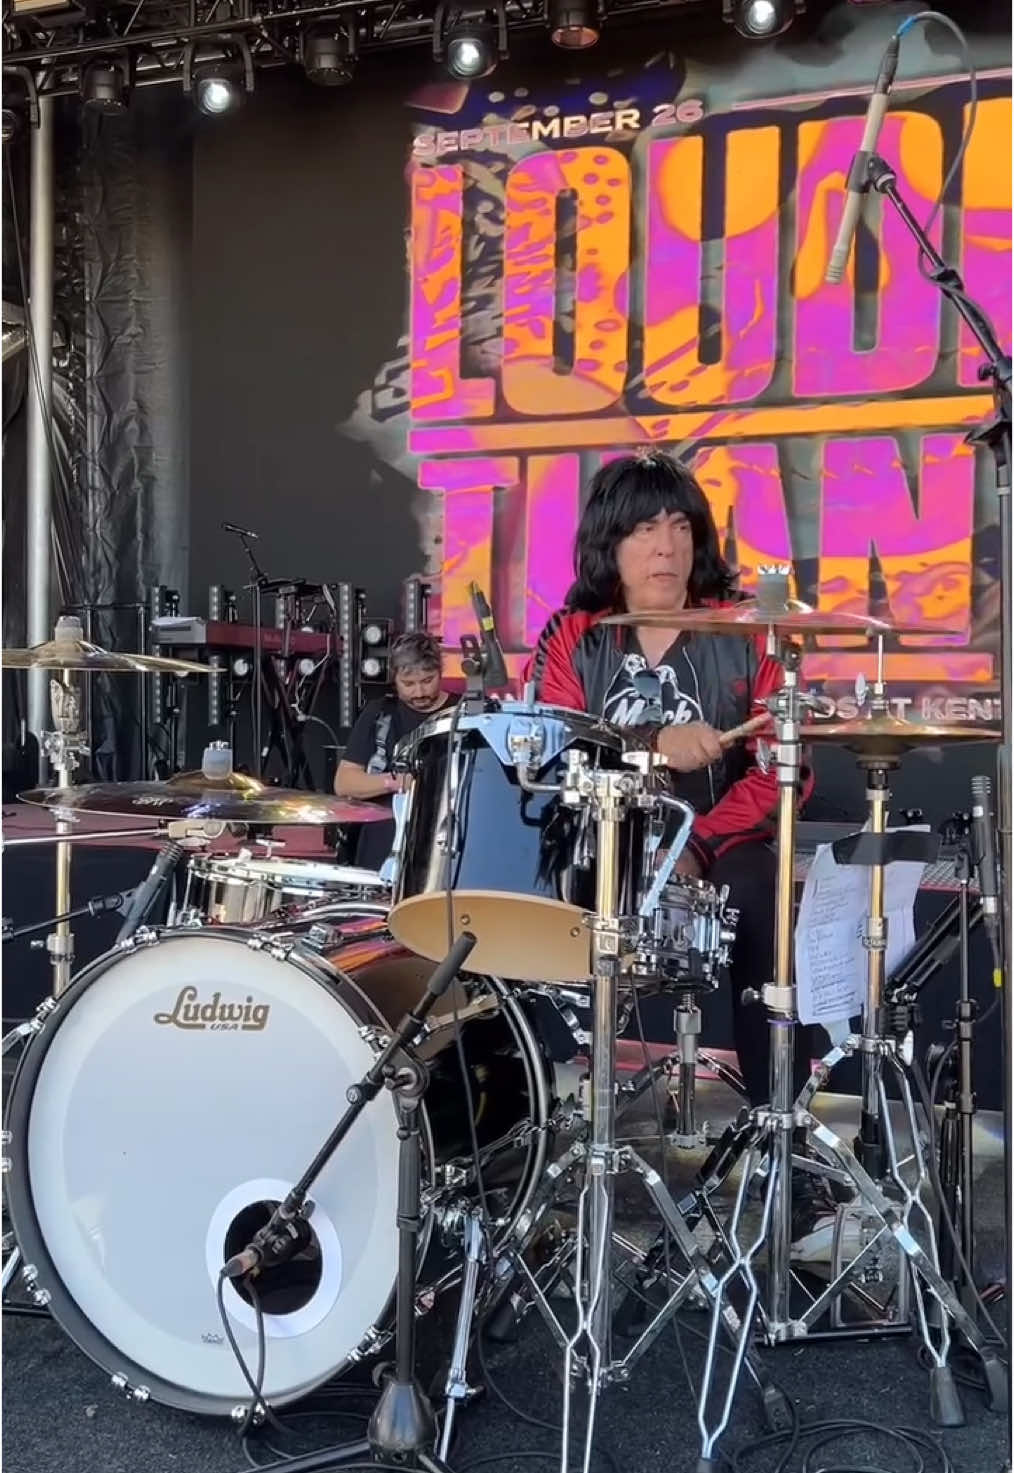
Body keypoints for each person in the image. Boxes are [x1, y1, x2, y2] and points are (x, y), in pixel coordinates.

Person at [529, 452, 851, 1255]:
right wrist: (650, 742)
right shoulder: (573, 634)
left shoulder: (748, 633)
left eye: (678, 525)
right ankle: (523, 1142)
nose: (664, 545)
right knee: (507, 900)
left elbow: (788, 770)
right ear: (610, 542)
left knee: (765, 894)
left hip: (722, 845)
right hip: (604, 836)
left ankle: (787, 1152)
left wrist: (698, 844)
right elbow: (553, 750)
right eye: (643, 527)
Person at [335, 631, 454, 870]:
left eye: (427, 680)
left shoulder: (464, 712)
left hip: (445, 841)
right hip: (382, 846)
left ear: (440, 673)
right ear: (394, 678)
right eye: (408, 684)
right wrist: (398, 782)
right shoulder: (380, 713)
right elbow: (344, 783)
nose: (419, 692)